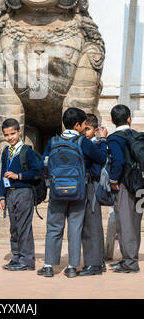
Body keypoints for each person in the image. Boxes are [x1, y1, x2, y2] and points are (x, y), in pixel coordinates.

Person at [37, 107, 108, 278]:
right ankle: (71, 267)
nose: (85, 127)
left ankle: (48, 266)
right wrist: (103, 141)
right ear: (77, 125)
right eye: (84, 124)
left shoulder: (53, 142)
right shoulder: (82, 143)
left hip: (57, 192)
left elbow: (42, 166)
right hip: (78, 192)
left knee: (53, 227)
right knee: (75, 228)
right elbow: (101, 158)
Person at [0, 118, 40, 271]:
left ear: (19, 132)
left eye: (13, 134)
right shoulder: (5, 152)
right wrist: (2, 196)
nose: (10, 137)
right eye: (7, 135)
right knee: (14, 228)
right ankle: (16, 257)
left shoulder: (27, 151)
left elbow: (36, 173)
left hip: (24, 192)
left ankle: (27, 260)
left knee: (24, 227)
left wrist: (18, 176)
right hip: (10, 194)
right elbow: (2, 174)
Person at [107, 104, 143, 273]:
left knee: (126, 223)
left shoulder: (114, 138)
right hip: (140, 184)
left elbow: (118, 161)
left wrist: (113, 180)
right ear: (129, 119)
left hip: (125, 185)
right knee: (135, 222)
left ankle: (129, 263)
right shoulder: (137, 136)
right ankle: (130, 258)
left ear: (113, 120)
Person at [79, 113, 107, 276]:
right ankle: (99, 261)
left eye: (88, 129)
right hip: (87, 185)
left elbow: (101, 160)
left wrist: (102, 141)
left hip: (92, 185)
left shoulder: (94, 144)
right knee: (91, 224)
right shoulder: (90, 143)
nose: (84, 132)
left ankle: (94, 264)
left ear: (96, 130)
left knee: (91, 224)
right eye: (83, 128)